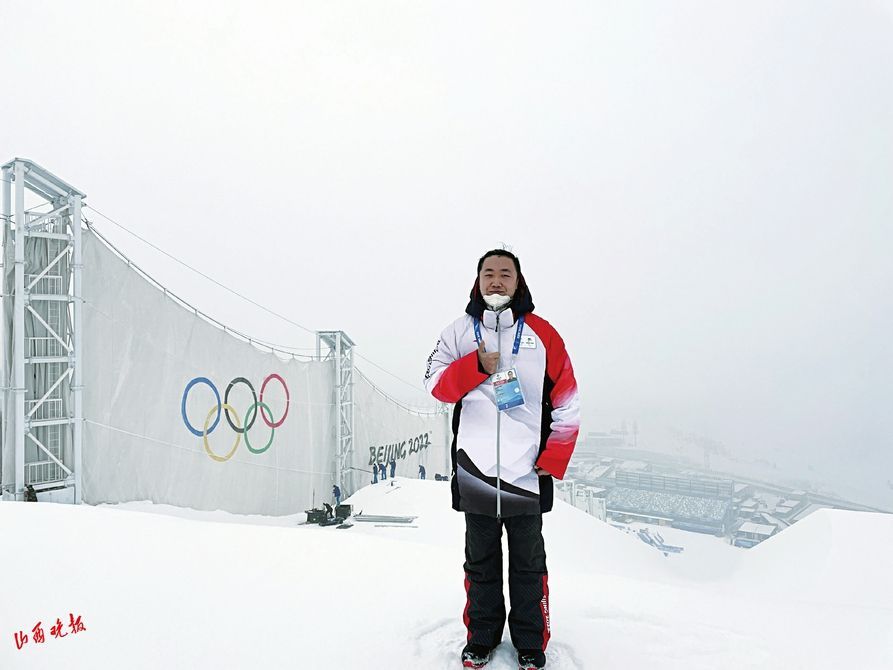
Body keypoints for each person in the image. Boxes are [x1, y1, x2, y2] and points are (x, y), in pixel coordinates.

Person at [423, 249, 579, 670]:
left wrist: (556, 453)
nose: (496, 280)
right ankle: (482, 637)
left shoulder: (543, 334)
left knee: (529, 564)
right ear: (477, 280)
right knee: (480, 562)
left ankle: (530, 641)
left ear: (518, 281)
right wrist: (473, 366)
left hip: (526, 474)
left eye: (504, 273)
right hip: (474, 473)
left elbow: (567, 399)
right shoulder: (457, 332)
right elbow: (434, 384)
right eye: (488, 272)